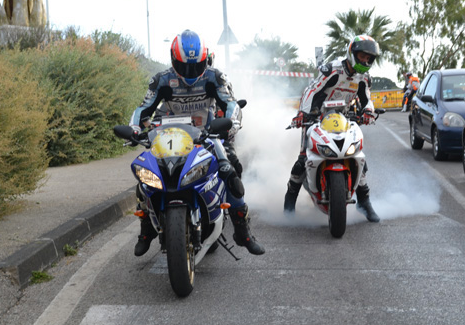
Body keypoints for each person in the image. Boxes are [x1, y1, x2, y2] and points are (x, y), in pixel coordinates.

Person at [129, 29, 265, 256]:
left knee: (231, 171)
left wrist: (231, 124)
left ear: (204, 59)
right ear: (174, 60)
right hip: (169, 137)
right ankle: (146, 231)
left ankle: (243, 233)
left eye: (196, 65)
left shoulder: (215, 77)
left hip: (209, 136)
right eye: (184, 66)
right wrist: (135, 128)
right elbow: (143, 108)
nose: (190, 72)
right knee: (147, 176)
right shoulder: (161, 80)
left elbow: (231, 104)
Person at [283, 35, 380, 223]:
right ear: (351, 53)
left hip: (343, 118)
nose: (365, 61)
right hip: (316, 116)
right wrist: (304, 113)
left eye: (368, 58)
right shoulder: (332, 69)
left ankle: (365, 202)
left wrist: (368, 112)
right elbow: (311, 90)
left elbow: (366, 98)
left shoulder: (364, 77)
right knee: (302, 160)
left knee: (358, 155)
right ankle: (289, 202)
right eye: (362, 56)